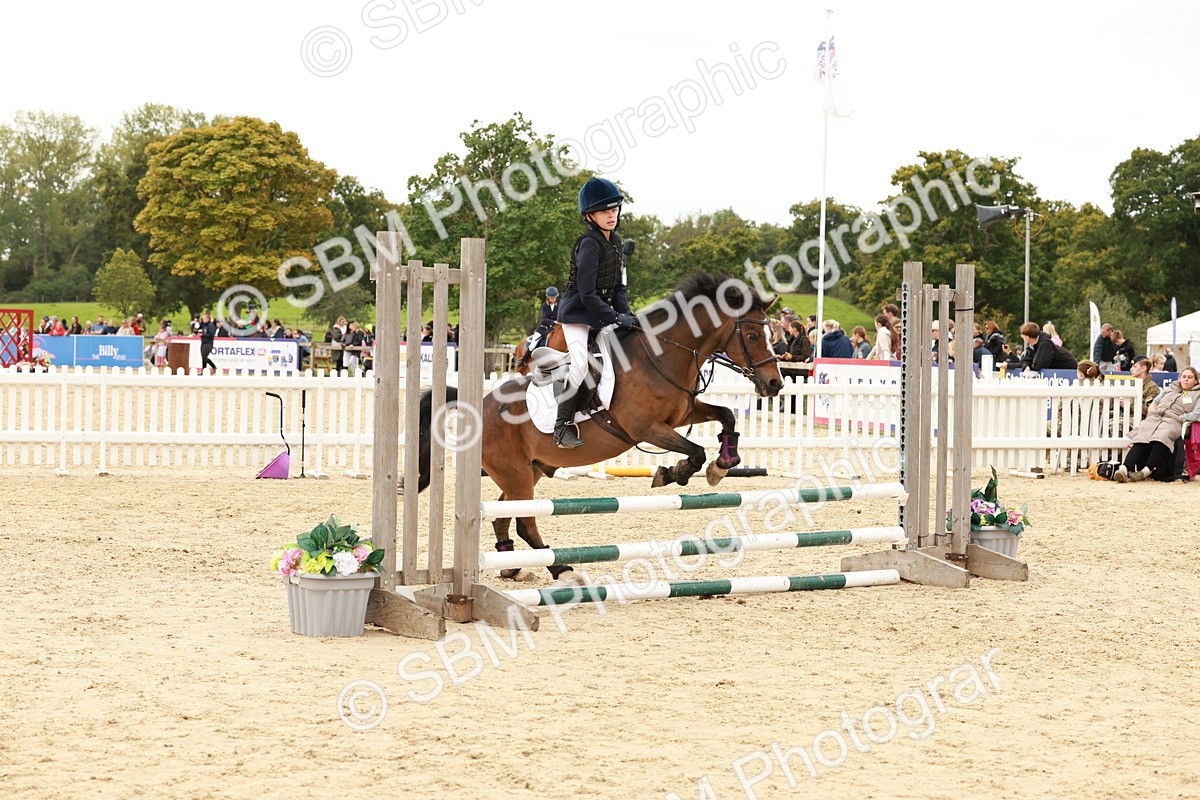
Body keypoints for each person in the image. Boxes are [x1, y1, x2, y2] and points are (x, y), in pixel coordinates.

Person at [554, 177, 635, 448]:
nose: (611, 215)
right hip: (577, 313)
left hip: (599, 314)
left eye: (614, 210)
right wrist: (614, 317)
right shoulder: (589, 244)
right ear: (590, 216)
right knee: (579, 365)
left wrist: (629, 316)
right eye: (604, 211)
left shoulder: (615, 242)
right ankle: (561, 426)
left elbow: (619, 289)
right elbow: (587, 294)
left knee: (625, 348)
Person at [1114, 367, 1200, 482]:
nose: (1186, 380)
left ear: (1195, 381)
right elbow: (1156, 401)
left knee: (1162, 436)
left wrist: (1180, 418)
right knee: (1142, 435)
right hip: (1156, 416)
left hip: (1174, 420)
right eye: (1184, 377)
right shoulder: (1171, 388)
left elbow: (1196, 414)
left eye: (1190, 377)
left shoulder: (1198, 394)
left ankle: (1145, 471)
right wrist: (1152, 411)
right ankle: (1124, 468)